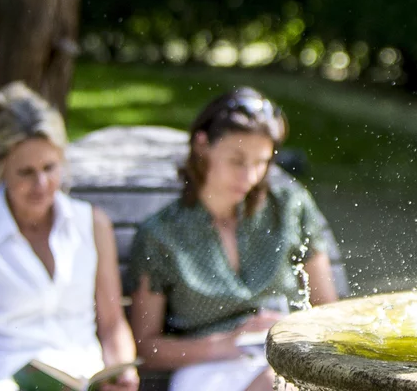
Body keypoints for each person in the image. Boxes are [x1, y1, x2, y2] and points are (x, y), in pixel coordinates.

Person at [0, 82, 141, 391]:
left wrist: (123, 373)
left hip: (81, 378)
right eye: (25, 172)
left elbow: (112, 325)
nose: (41, 183)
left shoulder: (92, 224)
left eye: (50, 168)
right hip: (3, 380)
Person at [128, 88, 339, 391]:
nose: (249, 176)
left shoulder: (289, 208)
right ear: (203, 146)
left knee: (281, 380)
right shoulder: (161, 234)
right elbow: (145, 348)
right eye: (237, 160)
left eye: (261, 162)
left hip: (286, 355)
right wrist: (227, 343)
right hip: (207, 369)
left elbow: (327, 310)